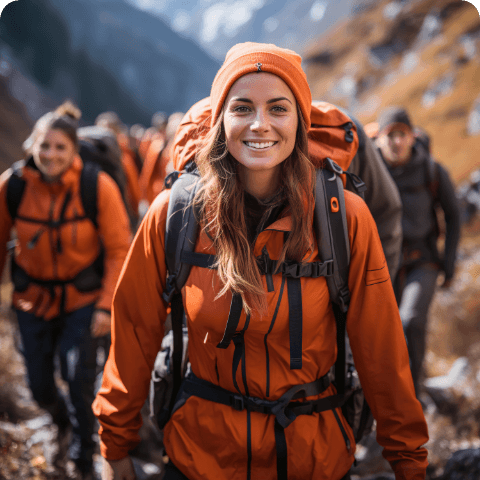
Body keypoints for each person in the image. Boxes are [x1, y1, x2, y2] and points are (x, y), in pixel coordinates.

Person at [93, 43, 429, 480]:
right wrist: (114, 444)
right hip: (201, 458)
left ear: (300, 121)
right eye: (242, 107)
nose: (260, 124)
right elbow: (134, 333)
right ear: (220, 121)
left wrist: (409, 460)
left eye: (278, 108)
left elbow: (382, 352)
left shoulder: (344, 219)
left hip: (314, 460)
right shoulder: (174, 215)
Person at [0, 102, 132, 480]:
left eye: (60, 148)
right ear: (32, 147)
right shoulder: (13, 186)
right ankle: (60, 422)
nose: (51, 155)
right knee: (40, 385)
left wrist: (106, 307)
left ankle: (82, 454)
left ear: (74, 150)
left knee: (79, 380)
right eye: (44, 147)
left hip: (83, 302)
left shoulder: (97, 186)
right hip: (31, 301)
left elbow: (119, 249)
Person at [375, 106, 461, 397]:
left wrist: (448, 265)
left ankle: (412, 394)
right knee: (387, 332)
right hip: (384, 264)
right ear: (379, 140)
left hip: (423, 260)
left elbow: (453, 214)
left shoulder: (432, 170)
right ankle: (397, 390)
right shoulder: (369, 172)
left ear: (412, 137)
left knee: (410, 319)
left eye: (402, 134)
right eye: (390, 135)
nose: (396, 142)